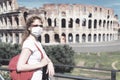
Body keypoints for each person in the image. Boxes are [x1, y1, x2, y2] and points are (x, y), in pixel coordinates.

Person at [17, 15, 55, 80]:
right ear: (29, 28)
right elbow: (20, 67)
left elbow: (45, 57)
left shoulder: (37, 42)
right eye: (35, 25)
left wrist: (50, 63)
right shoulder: (29, 43)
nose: (39, 28)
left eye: (40, 26)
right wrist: (41, 64)